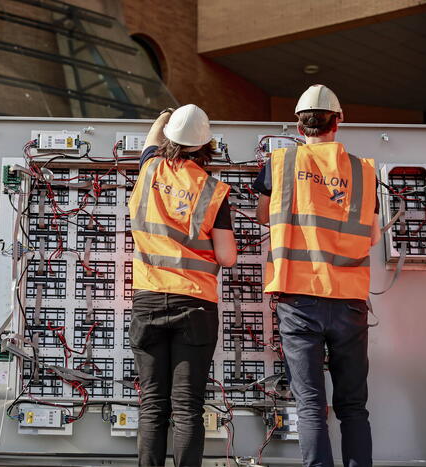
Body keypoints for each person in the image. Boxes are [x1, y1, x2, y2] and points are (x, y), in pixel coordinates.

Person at [253, 84, 381, 467]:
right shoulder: (363, 171)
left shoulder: (279, 164)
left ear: (299, 123)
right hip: (349, 300)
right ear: (338, 120)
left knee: (311, 406)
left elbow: (263, 215)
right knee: (354, 406)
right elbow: (373, 235)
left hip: (299, 299)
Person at [128, 104, 237, 467]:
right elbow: (227, 257)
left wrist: (163, 117)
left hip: (147, 302)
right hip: (195, 305)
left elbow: (150, 141)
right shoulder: (212, 191)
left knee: (153, 405)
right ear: (207, 145)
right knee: (187, 408)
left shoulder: (149, 169)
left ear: (170, 139)